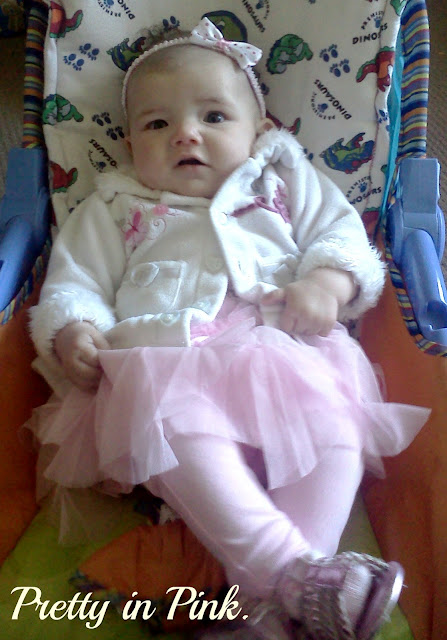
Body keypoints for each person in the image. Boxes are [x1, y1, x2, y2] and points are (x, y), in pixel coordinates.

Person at [28, 18, 430, 640]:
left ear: (261, 130)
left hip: (288, 350)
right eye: (156, 124)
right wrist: (73, 328)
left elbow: (343, 237)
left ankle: (272, 608)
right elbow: (75, 280)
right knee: (170, 420)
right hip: (170, 359)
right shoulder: (113, 205)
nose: (185, 133)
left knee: (338, 427)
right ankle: (292, 574)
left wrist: (327, 284)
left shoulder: (282, 178)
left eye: (214, 116)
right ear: (130, 143)